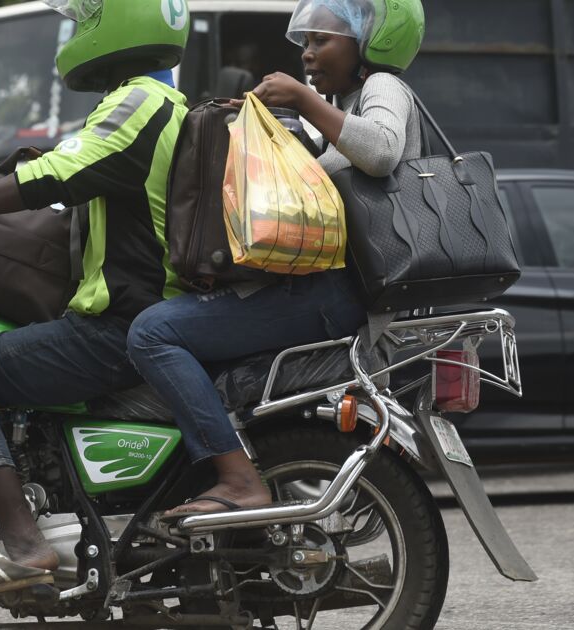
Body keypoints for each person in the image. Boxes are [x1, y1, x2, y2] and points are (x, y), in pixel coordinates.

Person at [0, 0, 191, 597]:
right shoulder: (164, 101)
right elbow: (69, 178)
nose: (74, 29)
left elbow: (52, 176)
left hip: (122, 325)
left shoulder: (139, 102)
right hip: (148, 315)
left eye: (84, 16)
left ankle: (23, 546)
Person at [126, 0, 426, 519]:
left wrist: (304, 102)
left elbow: (380, 151)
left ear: (371, 41)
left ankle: (237, 480)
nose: (308, 55)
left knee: (153, 333)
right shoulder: (343, 104)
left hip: (337, 294)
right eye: (305, 44)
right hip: (322, 288)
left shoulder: (383, 89)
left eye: (322, 41)